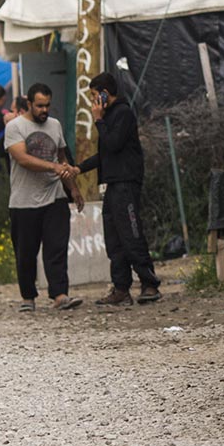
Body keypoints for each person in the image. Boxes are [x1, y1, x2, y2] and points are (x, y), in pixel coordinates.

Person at [78, 73, 159, 306]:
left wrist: (98, 120)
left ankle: (149, 283)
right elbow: (104, 154)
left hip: (126, 181)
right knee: (114, 238)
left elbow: (113, 144)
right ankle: (121, 287)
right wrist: (79, 168)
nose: (93, 101)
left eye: (95, 95)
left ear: (105, 93)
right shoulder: (109, 116)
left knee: (131, 234)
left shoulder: (122, 114)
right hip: (113, 183)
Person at [3, 84, 83, 312]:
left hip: (54, 197)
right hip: (23, 201)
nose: (44, 110)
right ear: (29, 103)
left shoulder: (55, 125)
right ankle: (28, 296)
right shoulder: (15, 127)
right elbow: (23, 158)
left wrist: (73, 189)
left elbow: (62, 158)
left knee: (56, 247)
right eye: (39, 106)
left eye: (47, 105)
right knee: (26, 252)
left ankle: (60, 294)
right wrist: (54, 167)